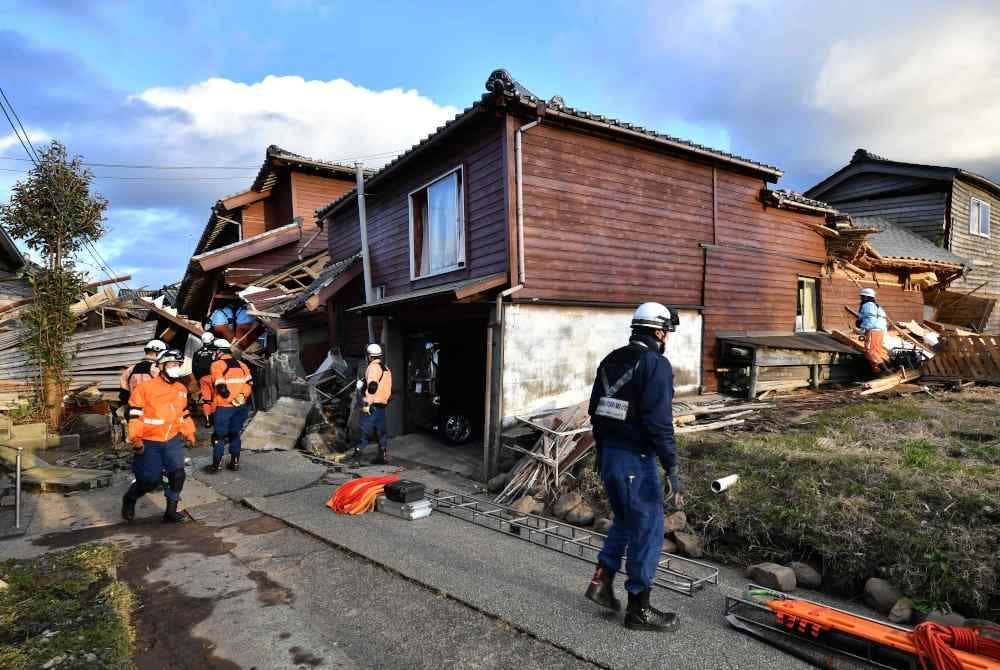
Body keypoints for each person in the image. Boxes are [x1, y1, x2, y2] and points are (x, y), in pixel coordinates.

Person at [584, 302, 681, 633]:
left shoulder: (611, 360)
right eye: (666, 331)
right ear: (657, 331)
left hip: (609, 455)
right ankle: (639, 608)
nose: (667, 337)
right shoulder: (655, 364)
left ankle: (601, 582)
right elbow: (658, 423)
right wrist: (672, 466)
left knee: (625, 521)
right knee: (649, 529)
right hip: (635, 460)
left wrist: (601, 450)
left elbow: (595, 410)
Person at [121, 349, 196, 523]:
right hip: (149, 441)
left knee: (178, 475)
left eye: (177, 365)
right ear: (161, 366)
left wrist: (189, 432)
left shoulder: (181, 389)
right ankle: (130, 497)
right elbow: (135, 415)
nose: (175, 368)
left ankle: (171, 511)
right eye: (171, 364)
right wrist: (136, 438)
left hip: (172, 441)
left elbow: (183, 413)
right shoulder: (145, 388)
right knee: (149, 481)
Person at [208, 338, 253, 472]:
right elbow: (249, 383)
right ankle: (235, 463)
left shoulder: (217, 364)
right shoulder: (242, 364)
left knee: (219, 435)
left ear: (219, 352)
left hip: (224, 407)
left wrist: (228, 397)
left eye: (214, 351)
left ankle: (217, 464)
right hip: (240, 406)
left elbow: (221, 386)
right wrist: (241, 396)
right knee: (234, 434)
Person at [353, 343, 393, 465]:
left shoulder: (373, 367)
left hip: (372, 404)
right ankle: (383, 456)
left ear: (370, 356)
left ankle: (356, 460)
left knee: (364, 431)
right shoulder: (385, 368)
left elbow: (373, 386)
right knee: (381, 432)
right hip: (382, 405)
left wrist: (367, 404)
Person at [119, 339, 167, 405]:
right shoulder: (158, 370)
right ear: (158, 353)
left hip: (134, 409)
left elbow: (124, 395)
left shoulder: (129, 370)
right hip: (153, 410)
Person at [856, 288, 892, 375]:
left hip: (873, 330)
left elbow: (870, 319)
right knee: (877, 351)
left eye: (862, 297)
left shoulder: (868, 305)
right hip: (880, 330)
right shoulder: (876, 306)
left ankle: (885, 370)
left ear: (866, 297)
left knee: (869, 351)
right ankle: (879, 371)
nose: (861, 298)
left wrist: (862, 326)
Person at [192, 331, 218, 428]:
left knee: (206, 400)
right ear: (212, 339)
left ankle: (208, 421)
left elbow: (194, 368)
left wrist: (199, 379)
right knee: (215, 398)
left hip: (202, 379)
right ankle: (215, 419)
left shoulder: (197, 352)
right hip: (214, 377)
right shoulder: (217, 351)